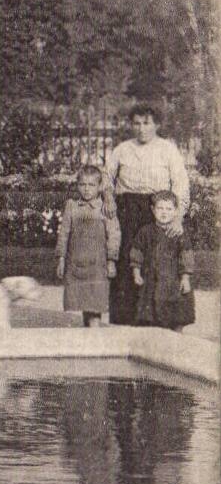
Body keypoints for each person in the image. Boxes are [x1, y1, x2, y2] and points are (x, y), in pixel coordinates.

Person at [106, 104, 189, 324]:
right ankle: (125, 318)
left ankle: (156, 317)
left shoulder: (168, 149)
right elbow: (106, 179)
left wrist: (178, 216)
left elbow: (180, 183)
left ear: (157, 124)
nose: (142, 128)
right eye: (137, 123)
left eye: (147, 123)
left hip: (156, 210)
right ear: (131, 125)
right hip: (128, 211)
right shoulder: (122, 149)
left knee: (157, 261)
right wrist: (108, 199)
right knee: (128, 259)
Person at [56, 163, 120, 328]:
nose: (86, 189)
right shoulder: (71, 206)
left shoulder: (105, 208)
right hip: (76, 263)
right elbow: (64, 233)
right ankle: (89, 342)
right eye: (82, 184)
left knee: (94, 307)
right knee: (84, 306)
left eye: (91, 185)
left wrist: (112, 260)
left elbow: (114, 235)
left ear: (99, 187)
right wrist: (61, 259)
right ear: (77, 186)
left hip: (97, 265)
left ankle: (95, 342)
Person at [130, 190, 195, 331]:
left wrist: (185, 278)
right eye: (160, 208)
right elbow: (137, 252)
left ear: (175, 211)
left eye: (169, 209)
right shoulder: (145, 231)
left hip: (174, 281)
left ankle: (177, 345)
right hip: (152, 281)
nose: (164, 212)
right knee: (151, 317)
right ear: (153, 210)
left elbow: (186, 255)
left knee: (177, 317)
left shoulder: (179, 233)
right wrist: (136, 273)